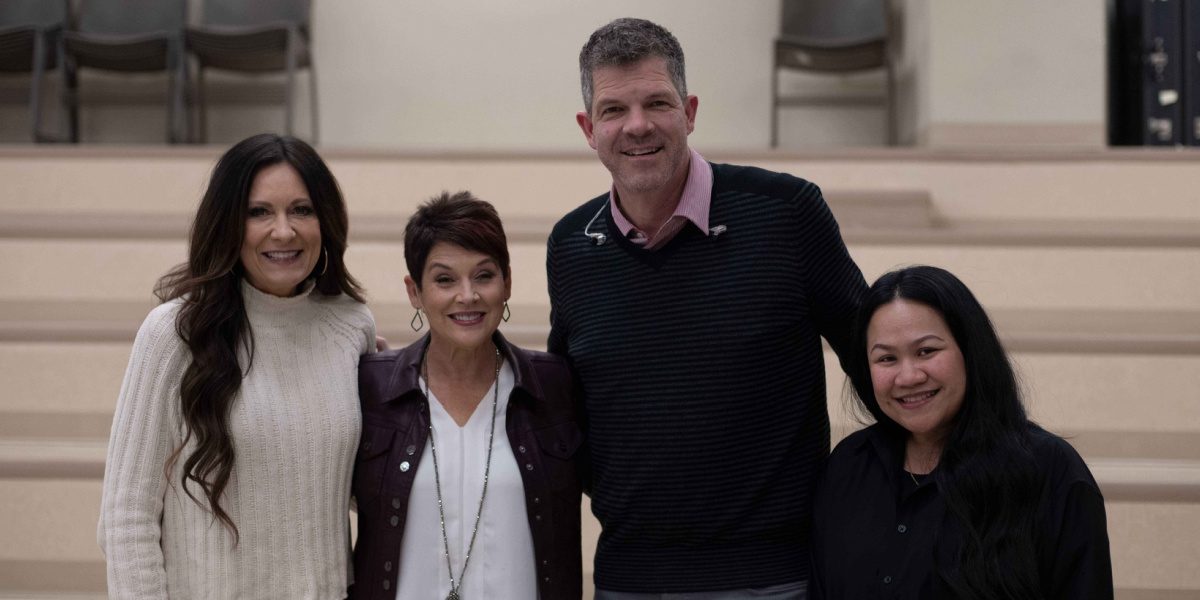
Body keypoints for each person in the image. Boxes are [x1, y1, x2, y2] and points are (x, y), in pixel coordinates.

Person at [546, 17, 867, 598]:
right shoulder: (570, 245)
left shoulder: (788, 212)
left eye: (657, 103)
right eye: (614, 110)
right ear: (589, 128)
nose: (637, 126)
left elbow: (873, 360)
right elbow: (571, 412)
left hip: (776, 579)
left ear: (689, 112)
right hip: (629, 580)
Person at [97, 134, 376, 598]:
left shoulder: (351, 325)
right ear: (228, 222)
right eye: (259, 212)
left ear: (325, 219)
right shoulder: (174, 333)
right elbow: (127, 518)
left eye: (301, 210)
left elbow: (343, 486)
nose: (283, 231)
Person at [810, 265, 1113, 599]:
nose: (908, 376)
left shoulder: (1051, 470)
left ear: (970, 350)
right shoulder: (849, 465)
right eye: (886, 359)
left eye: (926, 351)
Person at [351, 191, 584, 600]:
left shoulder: (553, 386)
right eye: (444, 279)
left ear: (507, 282)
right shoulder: (371, 388)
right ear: (414, 291)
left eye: (484, 275)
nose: (467, 295)